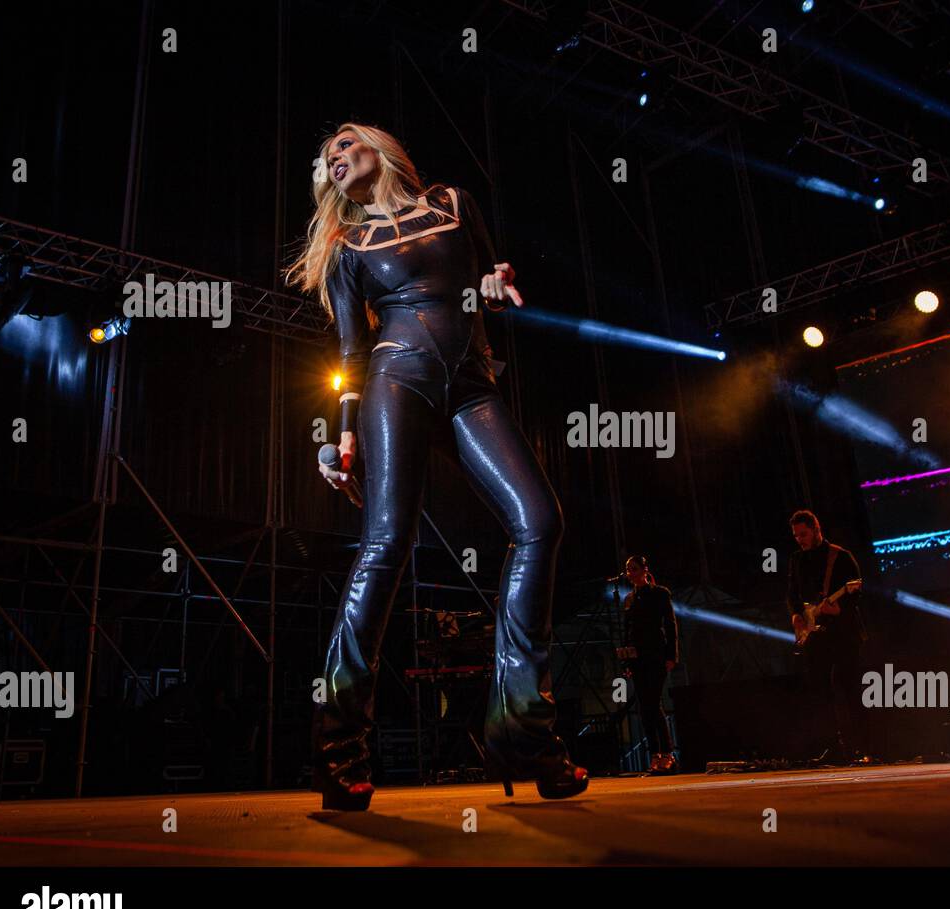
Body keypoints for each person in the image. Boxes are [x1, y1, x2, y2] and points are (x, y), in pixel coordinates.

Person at [286, 122, 587, 809]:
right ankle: (338, 748)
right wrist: (343, 436)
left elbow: (479, 278)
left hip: (472, 384)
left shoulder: (453, 200)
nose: (334, 156)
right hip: (398, 380)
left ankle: (521, 727)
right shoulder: (346, 246)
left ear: (379, 147)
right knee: (387, 544)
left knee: (540, 521)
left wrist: (496, 278)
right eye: (325, 156)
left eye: (343, 142)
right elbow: (349, 348)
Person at [785, 509, 869, 764]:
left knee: (851, 688)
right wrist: (797, 616)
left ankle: (864, 748)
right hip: (816, 636)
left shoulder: (840, 557)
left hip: (844, 633)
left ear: (816, 529)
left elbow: (856, 590)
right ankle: (833, 749)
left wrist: (839, 607)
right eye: (796, 535)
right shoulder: (796, 560)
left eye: (804, 534)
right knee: (820, 692)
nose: (800, 539)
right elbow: (792, 594)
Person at [620, 556, 680, 773]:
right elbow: (627, 630)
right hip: (638, 658)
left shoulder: (660, 594)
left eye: (634, 569)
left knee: (653, 703)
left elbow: (670, 624)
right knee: (645, 707)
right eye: (628, 570)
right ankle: (656, 753)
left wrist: (671, 655)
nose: (631, 573)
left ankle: (667, 753)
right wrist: (626, 658)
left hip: (656, 654)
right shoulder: (628, 599)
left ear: (645, 570)